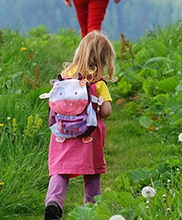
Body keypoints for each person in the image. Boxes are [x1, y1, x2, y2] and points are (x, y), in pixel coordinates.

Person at [44, 31, 116, 220]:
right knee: (92, 173)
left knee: (60, 171)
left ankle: (54, 202)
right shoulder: (97, 82)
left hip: (62, 133)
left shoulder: (64, 78)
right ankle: (92, 210)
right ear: (104, 59)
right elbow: (106, 112)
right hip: (88, 136)